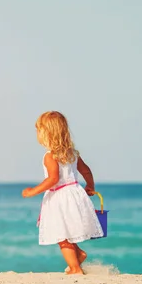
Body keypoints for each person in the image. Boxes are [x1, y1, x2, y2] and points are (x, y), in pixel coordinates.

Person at [22, 111, 103, 274]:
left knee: (61, 234)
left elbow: (53, 179)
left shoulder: (50, 156)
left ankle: (75, 268)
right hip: (75, 194)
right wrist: (90, 186)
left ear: (47, 133)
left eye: (39, 130)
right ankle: (78, 254)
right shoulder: (73, 153)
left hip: (59, 197)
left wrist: (33, 191)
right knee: (67, 231)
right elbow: (86, 171)